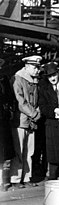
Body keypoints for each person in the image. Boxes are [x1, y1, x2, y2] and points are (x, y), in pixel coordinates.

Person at [10, 55, 42, 188]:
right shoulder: (17, 79)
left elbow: (37, 100)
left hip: (30, 121)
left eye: (38, 67)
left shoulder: (34, 80)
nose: (37, 70)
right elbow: (20, 101)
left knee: (29, 151)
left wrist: (37, 112)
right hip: (20, 121)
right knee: (19, 150)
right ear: (27, 66)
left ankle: (26, 177)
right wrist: (35, 114)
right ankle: (16, 179)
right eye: (35, 67)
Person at [0, 59, 15, 191]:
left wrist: (9, 110)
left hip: (3, 119)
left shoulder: (4, 79)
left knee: (4, 151)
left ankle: (4, 181)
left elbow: (9, 97)